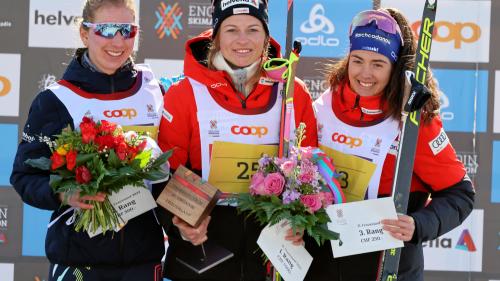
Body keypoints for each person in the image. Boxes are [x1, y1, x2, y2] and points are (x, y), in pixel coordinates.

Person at [308, 8, 475, 281]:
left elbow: (460, 193)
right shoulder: (324, 106)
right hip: (323, 263)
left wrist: (419, 224)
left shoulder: (413, 119)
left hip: (386, 266)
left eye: (378, 64)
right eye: (358, 60)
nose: (365, 73)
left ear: (395, 67)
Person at [157, 0, 317, 280]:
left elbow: (310, 170)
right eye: (231, 29)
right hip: (204, 251)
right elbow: (165, 173)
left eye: (253, 29)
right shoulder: (185, 93)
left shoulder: (293, 92)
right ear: (216, 35)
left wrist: (302, 218)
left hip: (269, 252)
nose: (243, 40)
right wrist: (181, 221)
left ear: (266, 36)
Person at [10, 0, 166, 280]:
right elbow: (24, 176)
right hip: (79, 260)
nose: (118, 41)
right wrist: (63, 194)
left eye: (127, 30)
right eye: (106, 30)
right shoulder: (56, 100)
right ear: (84, 33)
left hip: (143, 260)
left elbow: (170, 170)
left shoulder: (153, 91)